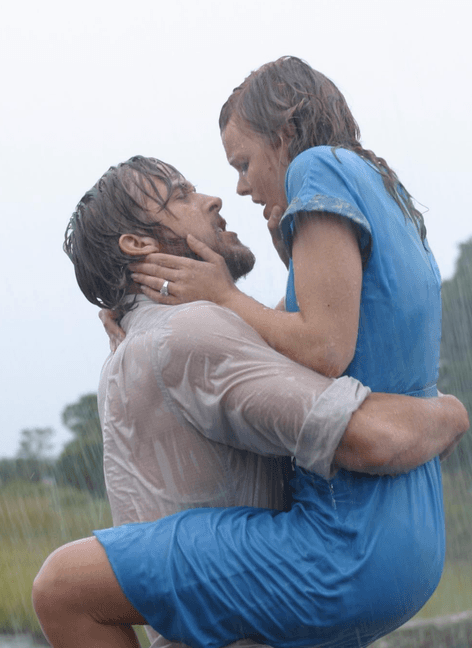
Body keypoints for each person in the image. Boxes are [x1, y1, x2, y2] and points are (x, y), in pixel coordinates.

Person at [33, 155, 468, 648]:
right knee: (63, 582)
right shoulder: (186, 334)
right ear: (138, 245)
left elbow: (266, 336)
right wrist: (450, 412)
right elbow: (373, 441)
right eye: (180, 195)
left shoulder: (134, 350)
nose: (213, 198)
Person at [127, 56, 450, 646]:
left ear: (283, 135)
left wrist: (224, 296)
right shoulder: (384, 186)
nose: (241, 187)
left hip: (350, 533)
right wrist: (291, 268)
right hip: (417, 524)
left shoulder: (316, 166)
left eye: (244, 163)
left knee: (76, 584)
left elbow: (326, 349)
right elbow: (374, 334)